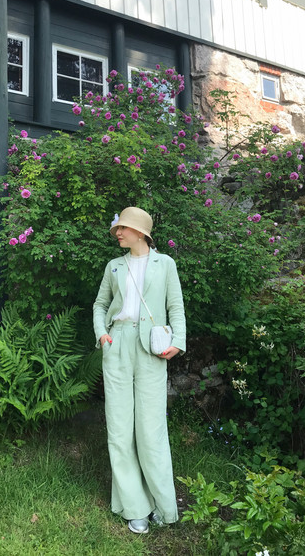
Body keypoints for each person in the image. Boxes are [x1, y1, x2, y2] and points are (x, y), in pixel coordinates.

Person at [93, 206, 186, 534]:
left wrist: (180, 340)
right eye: (118, 229)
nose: (118, 233)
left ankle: (164, 506)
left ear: (140, 232)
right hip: (117, 344)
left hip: (151, 348)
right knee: (119, 430)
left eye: (123, 228)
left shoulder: (166, 265)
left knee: (151, 430)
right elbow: (100, 305)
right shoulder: (113, 267)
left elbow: (175, 305)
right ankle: (134, 506)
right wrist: (102, 334)